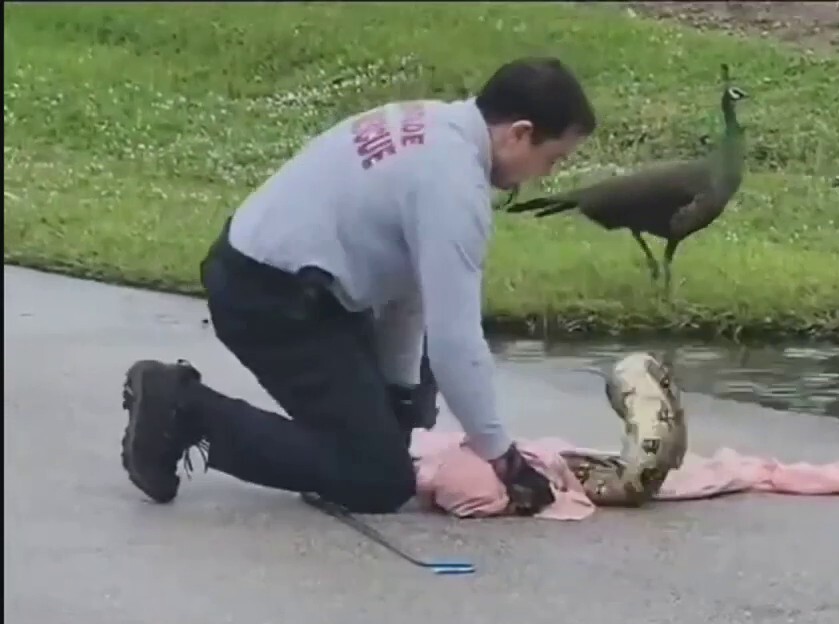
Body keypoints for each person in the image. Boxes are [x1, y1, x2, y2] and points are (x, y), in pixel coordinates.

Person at [119, 56, 597, 516]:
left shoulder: (434, 124)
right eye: (552, 159)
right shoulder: (454, 187)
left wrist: (398, 393)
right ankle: (183, 407)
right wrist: (503, 457)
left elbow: (408, 292)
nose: (546, 175)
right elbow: (456, 340)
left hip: (289, 281)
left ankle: (332, 450)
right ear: (520, 135)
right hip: (270, 299)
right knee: (377, 478)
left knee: (405, 413)